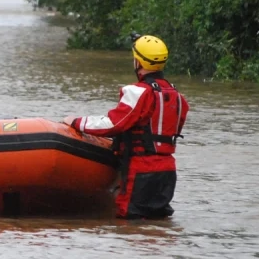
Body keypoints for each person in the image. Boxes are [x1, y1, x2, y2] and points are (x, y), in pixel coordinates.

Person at [64, 34, 189, 219]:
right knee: (158, 221)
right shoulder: (177, 96)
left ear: (138, 62)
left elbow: (113, 124)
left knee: (129, 221)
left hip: (142, 169)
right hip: (167, 171)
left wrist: (76, 122)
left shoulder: (138, 92)